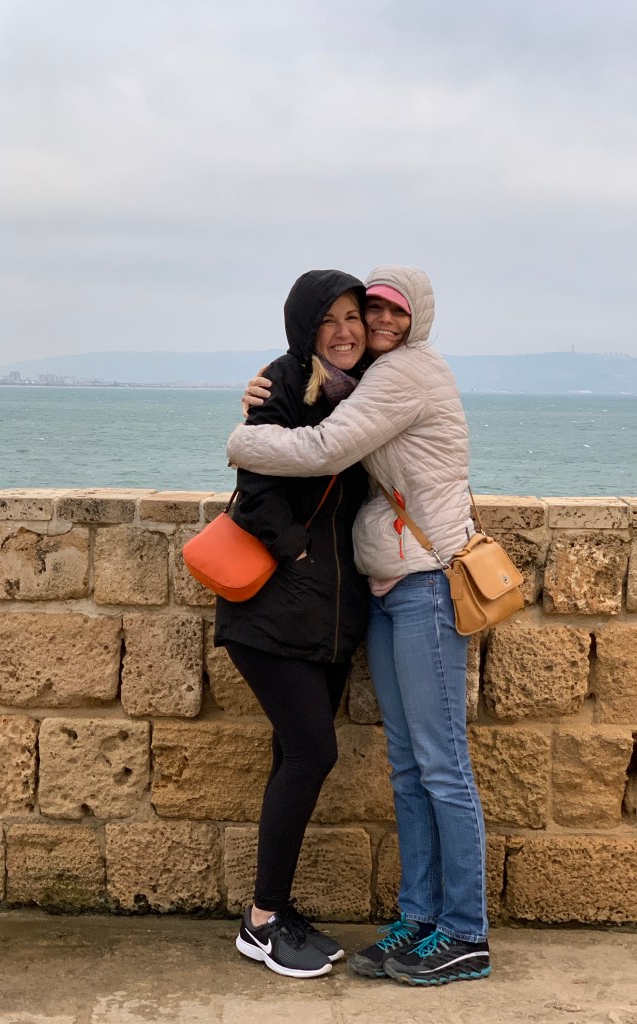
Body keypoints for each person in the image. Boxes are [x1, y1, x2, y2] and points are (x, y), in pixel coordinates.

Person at [228, 265, 491, 987]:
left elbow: (324, 450)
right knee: (409, 765)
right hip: (387, 586)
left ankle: (464, 931)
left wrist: (242, 436)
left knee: (440, 764)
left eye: (388, 312)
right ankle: (420, 918)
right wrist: (267, 390)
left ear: (419, 317)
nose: (374, 323)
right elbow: (317, 414)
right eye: (362, 310)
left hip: (428, 581)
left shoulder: (405, 372)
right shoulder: (354, 380)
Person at [217, 269, 370, 979]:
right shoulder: (280, 383)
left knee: (293, 756)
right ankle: (261, 921)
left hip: (331, 617)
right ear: (305, 327)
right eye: (328, 319)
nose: (343, 331)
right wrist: (297, 552)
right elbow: (253, 491)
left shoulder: (370, 393)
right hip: (272, 610)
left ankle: (273, 909)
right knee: (312, 753)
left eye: (353, 317)